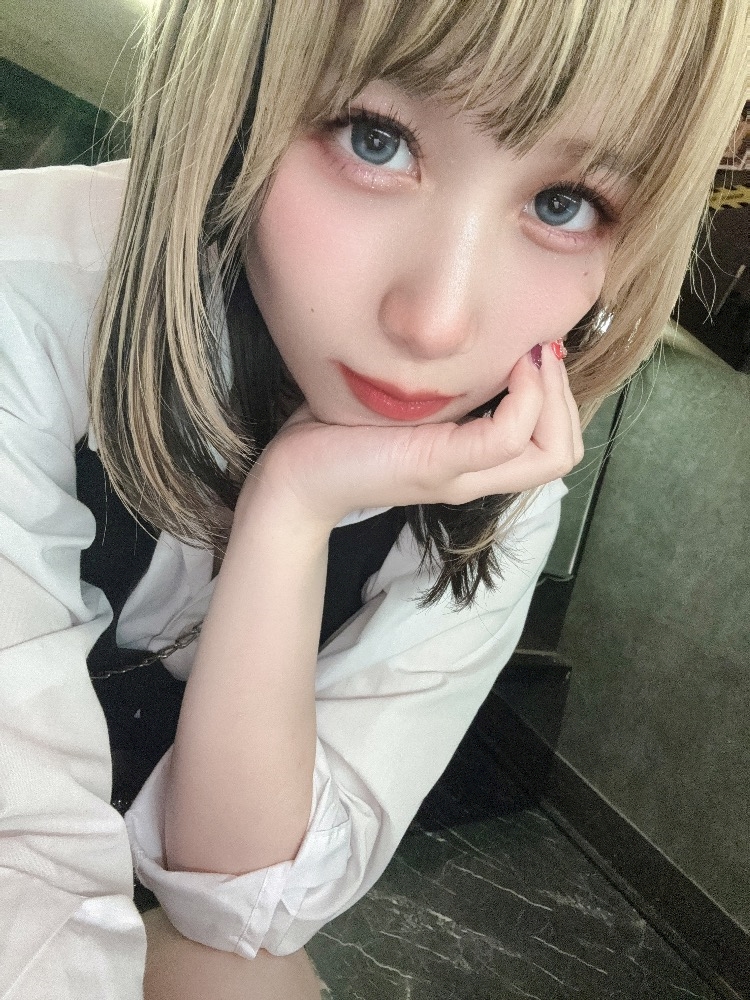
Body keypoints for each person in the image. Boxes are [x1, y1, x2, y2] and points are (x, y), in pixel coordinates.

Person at [0, 0, 745, 997]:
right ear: (237, 98)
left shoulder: (500, 491)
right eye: (375, 138)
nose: (436, 323)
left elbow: (243, 908)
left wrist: (292, 510)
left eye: (565, 202)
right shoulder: (27, 298)